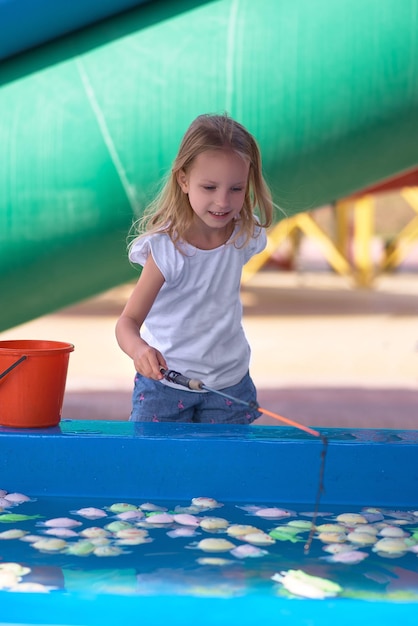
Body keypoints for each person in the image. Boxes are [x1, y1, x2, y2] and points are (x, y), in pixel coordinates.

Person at [115, 113, 274, 423]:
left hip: (230, 385)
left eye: (236, 189)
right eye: (210, 187)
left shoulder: (245, 234)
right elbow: (127, 322)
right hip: (166, 387)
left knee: (225, 470)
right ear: (184, 180)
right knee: (157, 468)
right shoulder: (167, 248)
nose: (222, 201)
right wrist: (139, 351)